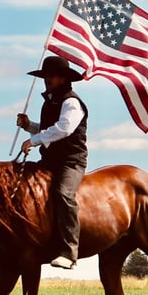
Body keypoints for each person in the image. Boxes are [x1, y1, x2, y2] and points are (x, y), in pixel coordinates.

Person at [17, 55, 88, 270]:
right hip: (49, 160)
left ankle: (69, 252)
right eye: (46, 75)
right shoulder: (50, 101)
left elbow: (64, 129)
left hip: (70, 162)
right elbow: (49, 128)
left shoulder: (71, 102)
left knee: (63, 194)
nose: (47, 79)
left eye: (52, 75)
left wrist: (34, 140)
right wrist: (30, 126)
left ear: (63, 78)